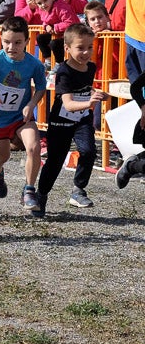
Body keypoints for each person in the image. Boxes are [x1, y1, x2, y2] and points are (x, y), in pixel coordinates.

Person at [0, 17, 47, 213]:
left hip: (22, 117)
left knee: (34, 147)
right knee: (2, 156)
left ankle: (29, 190)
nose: (11, 47)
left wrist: (31, 103)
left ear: (27, 42)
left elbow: (40, 87)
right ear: (1, 39)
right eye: (6, 42)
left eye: (17, 43)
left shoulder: (34, 64)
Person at [33, 24, 107, 216]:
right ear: (67, 49)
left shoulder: (91, 67)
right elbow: (68, 104)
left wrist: (97, 94)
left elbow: (83, 89)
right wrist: (90, 101)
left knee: (89, 151)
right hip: (61, 121)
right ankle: (41, 195)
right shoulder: (63, 72)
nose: (86, 52)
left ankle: (78, 190)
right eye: (80, 48)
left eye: (90, 47)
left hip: (82, 119)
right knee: (55, 161)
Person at [26, 0, 78, 65]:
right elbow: (45, 21)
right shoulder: (43, 10)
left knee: (54, 44)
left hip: (73, 34)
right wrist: (46, 26)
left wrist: (54, 27)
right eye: (39, 3)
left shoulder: (61, 8)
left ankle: (59, 64)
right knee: (40, 38)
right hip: (60, 34)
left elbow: (70, 23)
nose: (43, 5)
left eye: (45, 0)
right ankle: (48, 60)